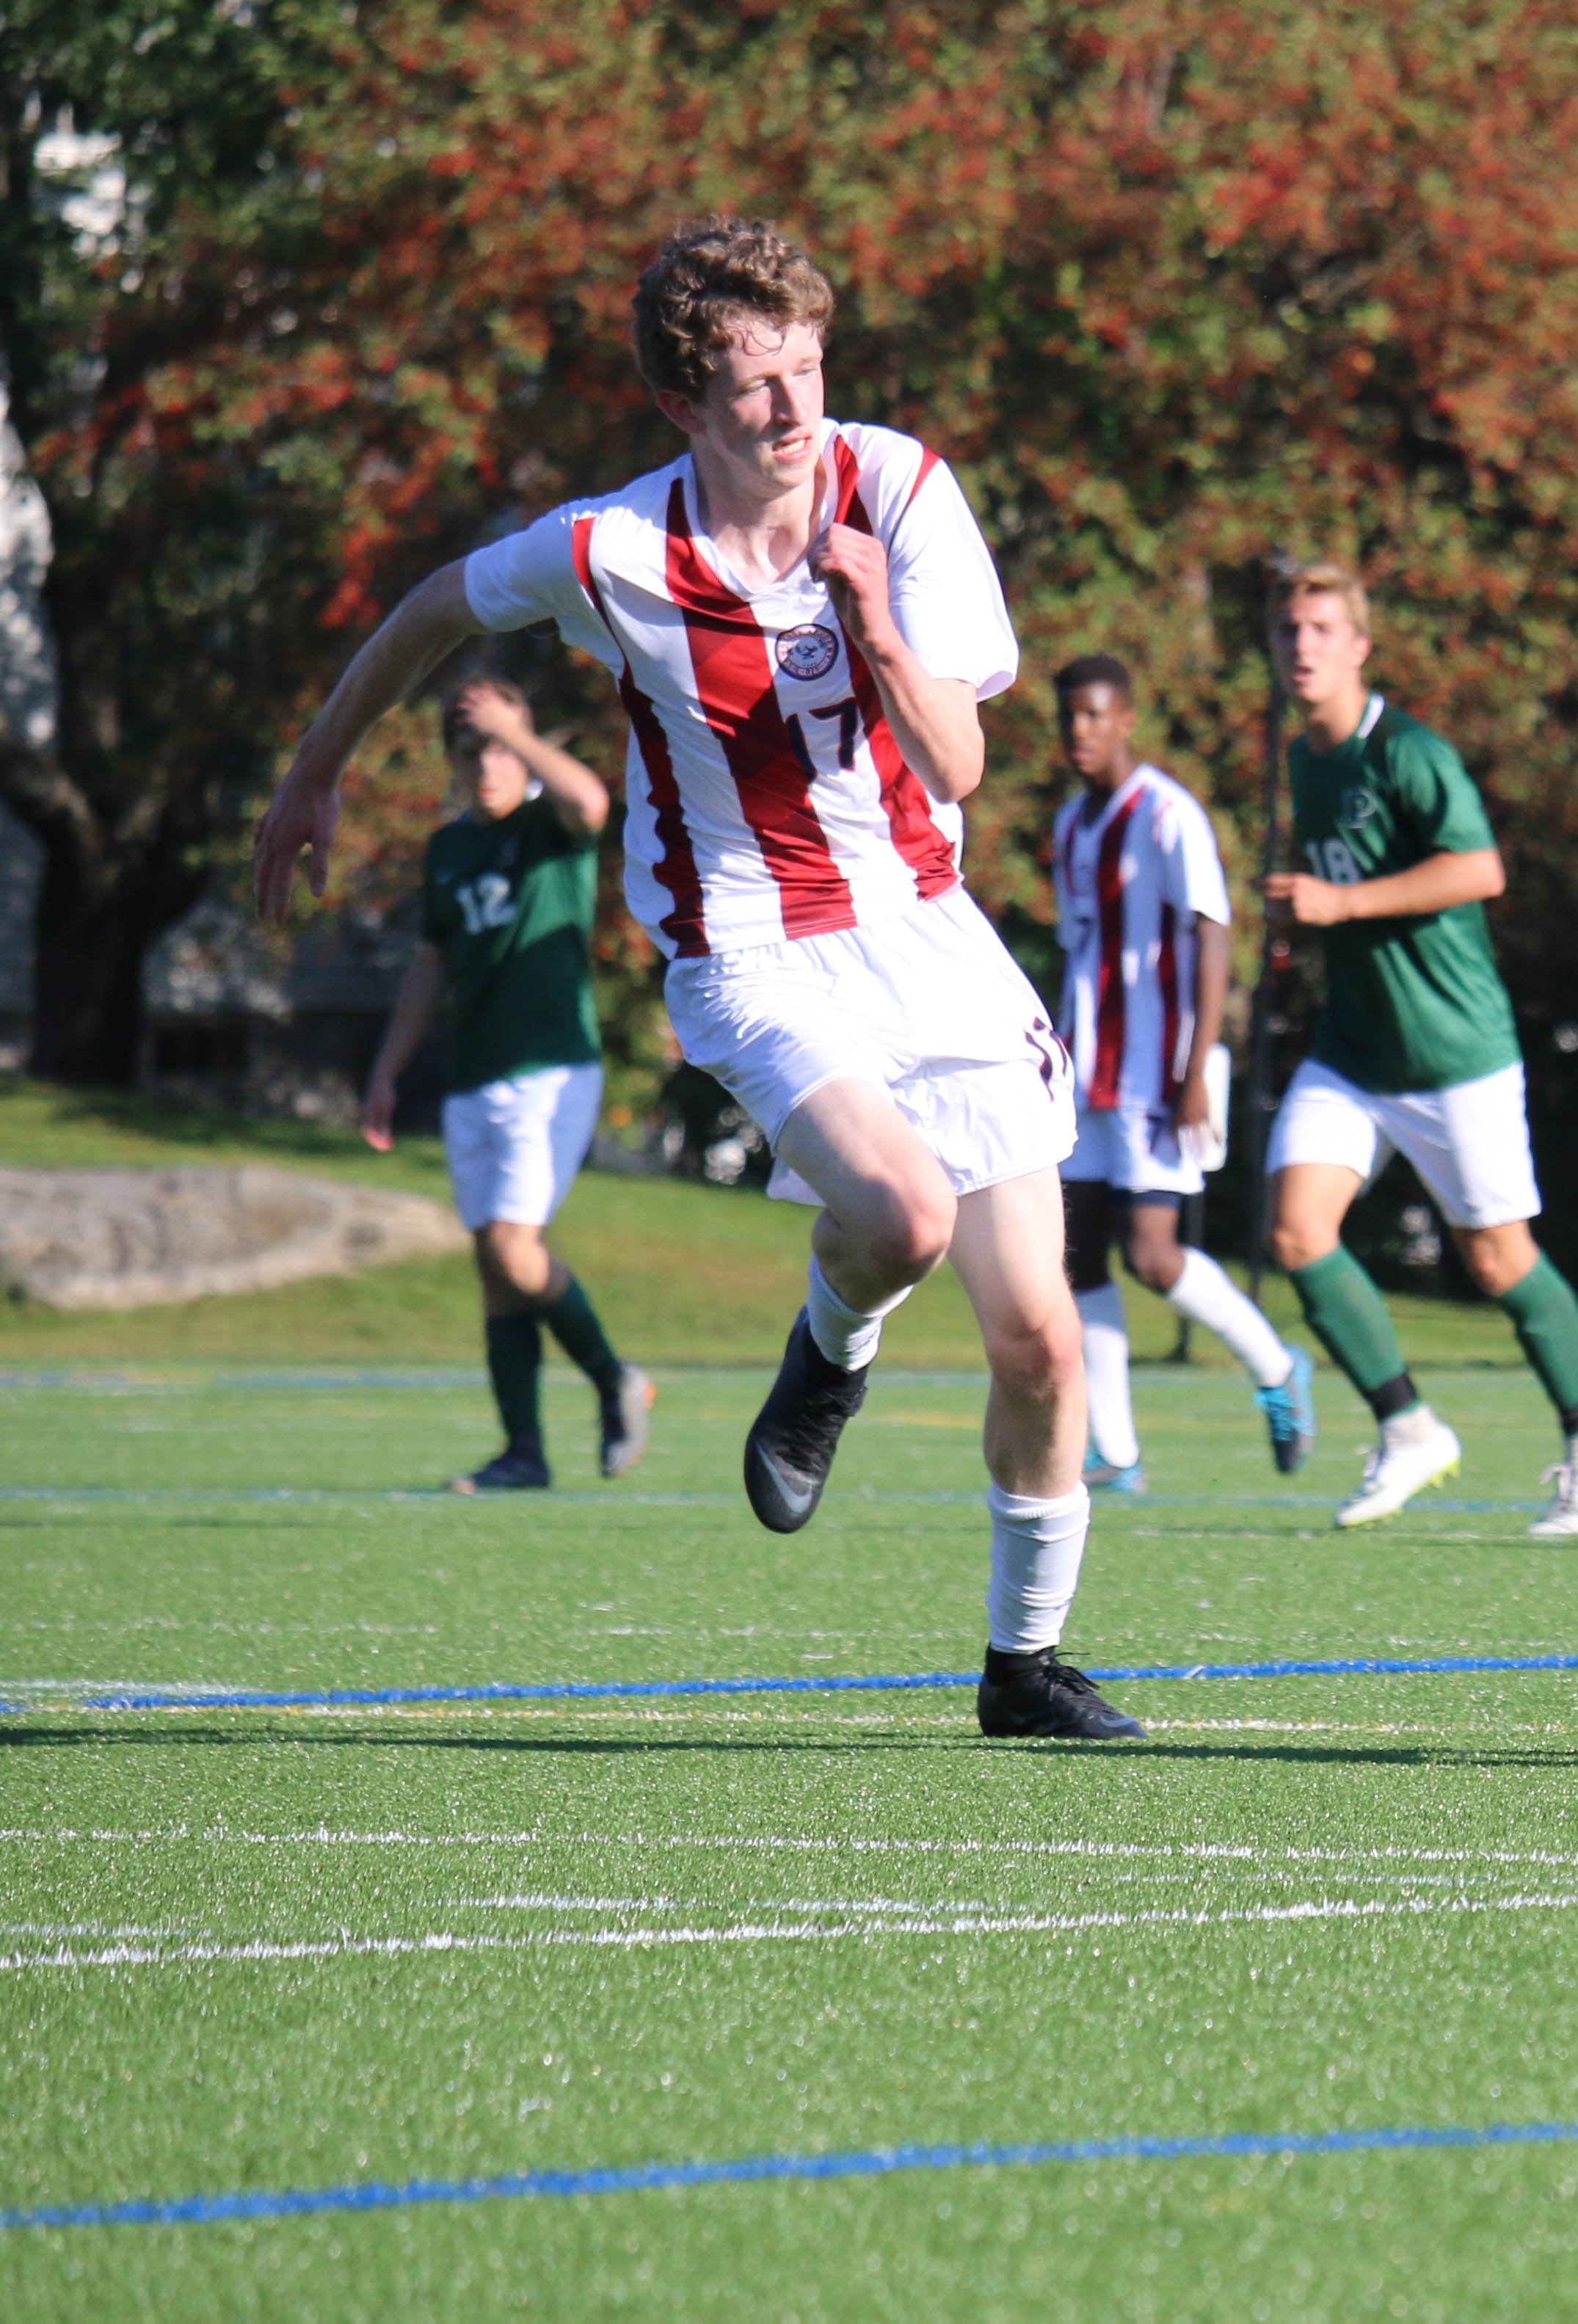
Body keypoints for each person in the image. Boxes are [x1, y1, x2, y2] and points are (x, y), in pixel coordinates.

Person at [250, 214, 1140, 1740]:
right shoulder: (612, 550)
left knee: (1041, 1338)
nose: (794, 410)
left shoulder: (901, 486)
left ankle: (1023, 1666)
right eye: (752, 385)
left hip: (928, 930)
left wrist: (874, 622)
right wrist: (317, 770)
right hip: (745, 943)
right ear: (680, 405)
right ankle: (829, 1348)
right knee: (903, 1214)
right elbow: (431, 609)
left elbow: (963, 760)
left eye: (805, 367)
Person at [1257, 561, 1578, 1536]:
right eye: (1291, 627)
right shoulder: (1302, 757)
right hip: (1354, 1051)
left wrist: (1340, 901)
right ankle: (1409, 1427)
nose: (1302, 644)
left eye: (1322, 628)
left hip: (1454, 1051)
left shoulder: (1409, 753)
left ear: (1360, 646)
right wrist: (1309, 927)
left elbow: (1479, 868)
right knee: (1298, 1229)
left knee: (1498, 1258)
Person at [360, 676, 652, 1493]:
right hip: (470, 1080)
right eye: (472, 747)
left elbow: (592, 799)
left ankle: (613, 1379)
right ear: (451, 761)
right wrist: (387, 1069)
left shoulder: (547, 827)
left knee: (514, 1253)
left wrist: (516, 734)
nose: (488, 762)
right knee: (495, 1267)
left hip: (552, 1068)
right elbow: (429, 965)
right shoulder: (447, 848)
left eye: (501, 745)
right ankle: (523, 1452)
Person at [1047, 650, 1316, 1486]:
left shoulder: (1167, 814)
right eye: (1070, 717)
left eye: (1096, 715)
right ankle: (1116, 1450)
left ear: (1127, 718)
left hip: (1156, 1069)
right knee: (1076, 1253)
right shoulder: (1069, 826)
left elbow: (1212, 930)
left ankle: (1275, 1368)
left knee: (1153, 1256)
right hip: (1088, 1066)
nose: (1081, 732)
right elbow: (1079, 951)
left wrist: (1194, 1065)